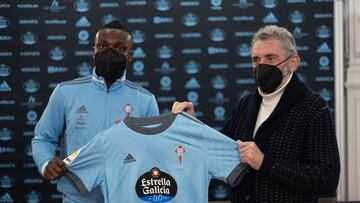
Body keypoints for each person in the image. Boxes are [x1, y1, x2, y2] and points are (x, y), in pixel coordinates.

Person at [172, 25, 340, 202]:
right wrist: (192, 123)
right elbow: (217, 153)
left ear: (293, 62)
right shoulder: (245, 104)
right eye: (256, 60)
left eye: (270, 58)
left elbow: (327, 179)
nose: (261, 66)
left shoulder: (313, 107)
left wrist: (265, 163)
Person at [32, 20, 159, 203]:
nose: (109, 52)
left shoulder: (145, 99)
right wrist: (45, 162)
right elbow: (43, 137)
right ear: (93, 51)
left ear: (129, 55)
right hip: (77, 198)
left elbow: (154, 151)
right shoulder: (66, 92)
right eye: (102, 46)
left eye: (119, 48)